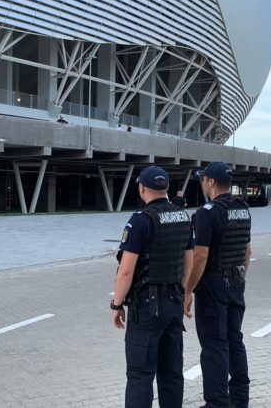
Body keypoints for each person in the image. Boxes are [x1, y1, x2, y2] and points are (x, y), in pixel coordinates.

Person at [112, 165, 194, 407]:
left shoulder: (141, 221)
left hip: (147, 309)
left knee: (140, 375)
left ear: (141, 188)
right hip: (174, 305)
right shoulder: (183, 217)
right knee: (171, 373)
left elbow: (126, 271)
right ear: (166, 188)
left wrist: (117, 305)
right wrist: (182, 292)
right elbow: (188, 264)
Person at [185, 162, 252, 408]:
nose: (202, 183)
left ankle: (217, 403)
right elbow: (247, 251)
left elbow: (200, 256)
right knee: (235, 340)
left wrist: (188, 289)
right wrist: (238, 278)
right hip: (236, 282)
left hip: (213, 285)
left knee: (214, 345)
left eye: (203, 179)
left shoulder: (207, 212)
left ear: (211, 182)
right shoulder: (242, 209)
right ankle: (240, 399)